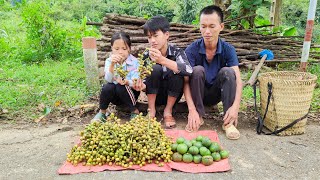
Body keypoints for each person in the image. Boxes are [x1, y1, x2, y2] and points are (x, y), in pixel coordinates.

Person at [184, 5, 242, 139]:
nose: (207, 31)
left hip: (217, 94)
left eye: (212, 26)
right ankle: (198, 115)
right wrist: (192, 110)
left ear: (221, 27)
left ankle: (228, 122)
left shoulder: (228, 49)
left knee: (228, 72)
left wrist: (235, 108)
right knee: (197, 70)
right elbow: (185, 82)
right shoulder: (192, 49)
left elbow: (239, 80)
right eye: (203, 26)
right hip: (198, 94)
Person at [133, 15, 193, 128]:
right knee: (155, 68)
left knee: (175, 69)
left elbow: (189, 70)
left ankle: (168, 111)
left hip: (173, 94)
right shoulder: (146, 55)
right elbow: (146, 82)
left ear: (167, 35)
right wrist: (141, 86)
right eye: (149, 37)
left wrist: (163, 60)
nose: (153, 41)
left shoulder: (177, 51)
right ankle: (151, 110)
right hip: (155, 94)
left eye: (155, 36)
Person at [92, 31, 140, 122]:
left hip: (130, 95)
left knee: (120, 86)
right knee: (107, 87)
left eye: (124, 49)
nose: (120, 52)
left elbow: (136, 81)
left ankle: (134, 111)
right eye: (117, 49)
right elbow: (108, 79)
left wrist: (127, 82)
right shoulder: (109, 61)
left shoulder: (134, 62)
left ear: (129, 49)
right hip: (115, 96)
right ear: (112, 49)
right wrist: (112, 65)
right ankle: (102, 112)